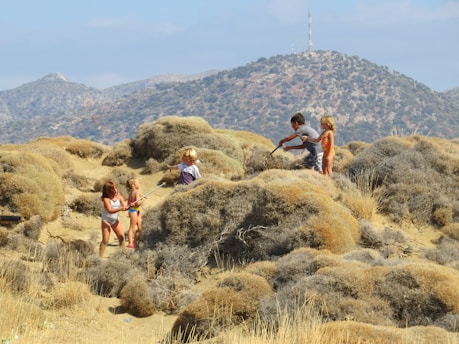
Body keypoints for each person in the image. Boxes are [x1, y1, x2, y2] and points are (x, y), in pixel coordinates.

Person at [100, 181, 129, 257]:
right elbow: (110, 210)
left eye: (116, 188)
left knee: (121, 238)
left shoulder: (119, 197)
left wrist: (130, 206)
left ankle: (122, 256)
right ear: (108, 191)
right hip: (106, 221)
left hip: (115, 221)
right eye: (113, 189)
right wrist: (121, 208)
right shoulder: (106, 199)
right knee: (105, 241)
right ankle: (99, 257)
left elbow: (125, 207)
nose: (115, 190)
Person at [126, 178, 144, 249]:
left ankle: (135, 242)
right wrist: (143, 199)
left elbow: (128, 203)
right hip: (133, 211)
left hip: (136, 211)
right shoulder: (136, 192)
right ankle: (130, 243)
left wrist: (131, 204)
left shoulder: (132, 192)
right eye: (138, 183)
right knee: (132, 228)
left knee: (140, 228)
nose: (139, 184)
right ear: (133, 185)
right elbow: (137, 204)